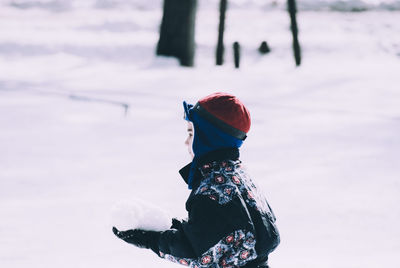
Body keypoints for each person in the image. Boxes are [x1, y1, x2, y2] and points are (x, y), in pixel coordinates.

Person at [113, 92, 280, 268]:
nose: (186, 142)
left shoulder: (211, 190)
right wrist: (166, 225)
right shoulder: (238, 177)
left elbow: (195, 251)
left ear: (209, 139)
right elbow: (215, 231)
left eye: (191, 133)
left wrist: (151, 240)